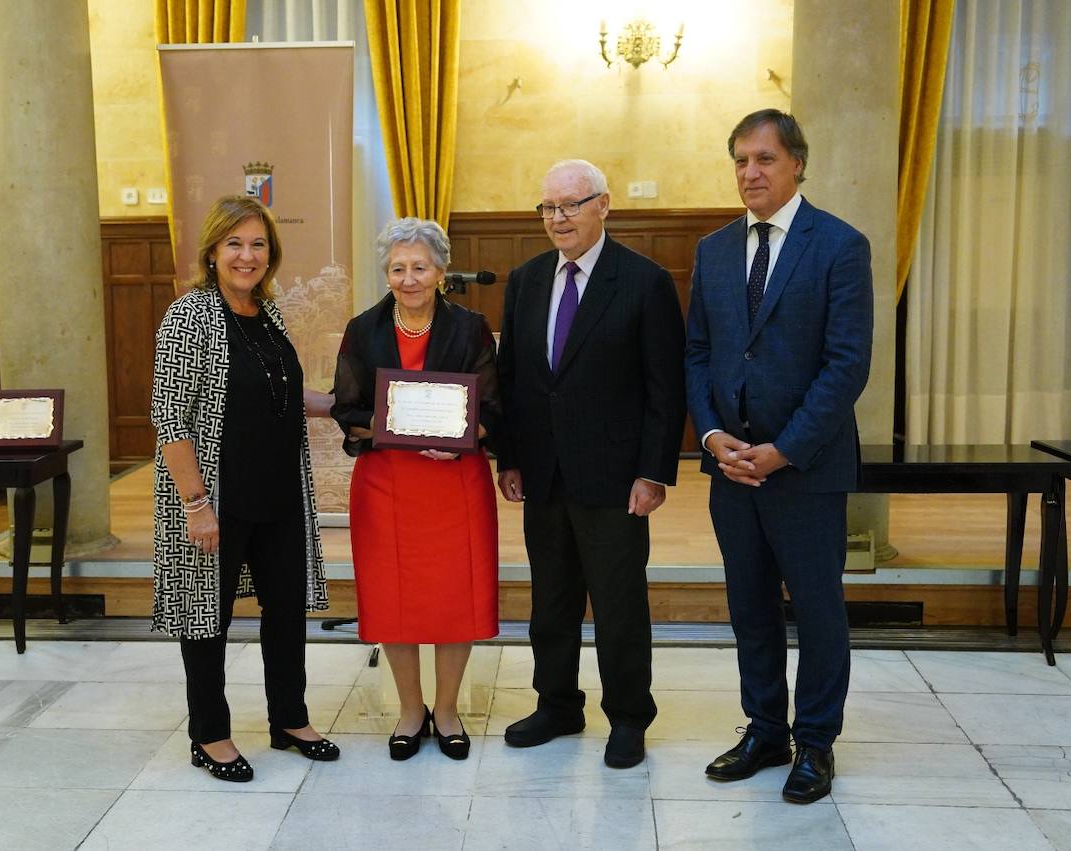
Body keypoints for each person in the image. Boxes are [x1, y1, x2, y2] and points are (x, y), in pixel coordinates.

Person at [685, 109, 873, 803]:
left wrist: (784, 449)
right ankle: (766, 728)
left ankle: (815, 742)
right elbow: (698, 352)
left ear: (797, 163)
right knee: (750, 606)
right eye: (739, 160)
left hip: (807, 468)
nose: (749, 172)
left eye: (763, 158)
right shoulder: (713, 249)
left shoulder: (840, 245)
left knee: (818, 609)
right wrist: (712, 437)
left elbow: (847, 364)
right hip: (730, 468)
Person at [494, 160, 686, 769]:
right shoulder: (525, 281)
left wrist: (654, 472)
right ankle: (557, 705)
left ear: (604, 205)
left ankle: (628, 717)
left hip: (615, 479)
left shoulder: (644, 281)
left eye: (571, 205)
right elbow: (515, 380)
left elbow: (665, 388)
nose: (558, 218)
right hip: (543, 475)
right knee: (550, 601)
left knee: (619, 604)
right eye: (548, 207)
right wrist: (511, 457)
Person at [151, 194, 339, 783]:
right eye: (235, 243)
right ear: (212, 250)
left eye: (258, 244)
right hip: (216, 497)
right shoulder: (189, 317)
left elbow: (281, 397)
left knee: (285, 613)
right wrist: (196, 504)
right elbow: (170, 418)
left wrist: (356, 409)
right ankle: (210, 734)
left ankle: (289, 718)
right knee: (204, 618)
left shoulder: (270, 313)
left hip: (280, 494)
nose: (247, 255)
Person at [332, 217, 501, 762]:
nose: (408, 278)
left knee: (456, 594)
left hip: (455, 482)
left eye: (419, 267)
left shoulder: (471, 327)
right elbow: (346, 406)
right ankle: (410, 710)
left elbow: (492, 406)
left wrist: (467, 435)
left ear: (441, 271)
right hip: (388, 484)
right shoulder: (363, 329)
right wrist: (397, 430)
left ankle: (447, 710)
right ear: (386, 271)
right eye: (398, 268)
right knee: (393, 597)